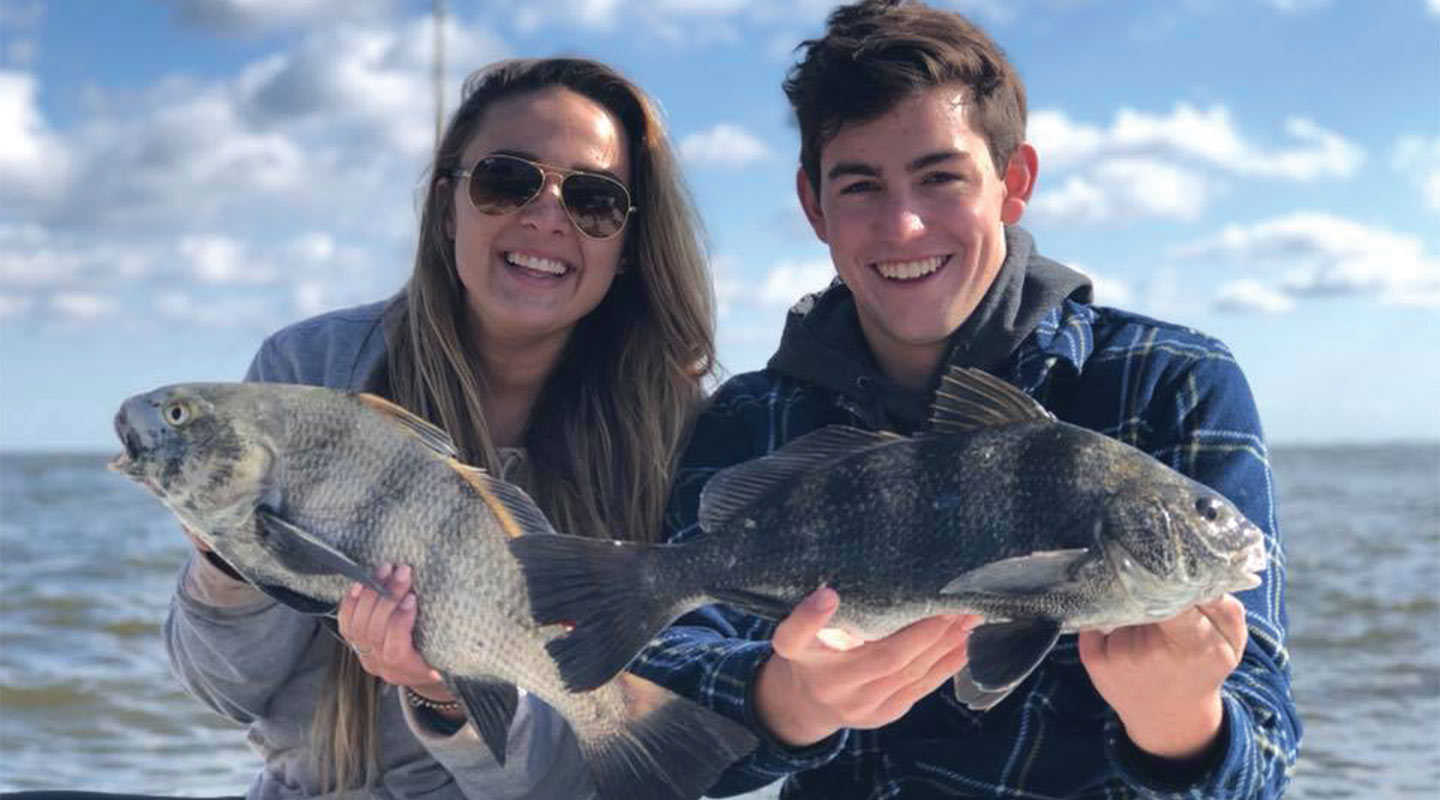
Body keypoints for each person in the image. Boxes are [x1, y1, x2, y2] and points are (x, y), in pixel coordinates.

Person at [629, 1, 1302, 797]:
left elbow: (1263, 747)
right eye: (860, 186)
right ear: (813, 206)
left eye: (940, 176)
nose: (904, 225)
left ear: (1012, 183)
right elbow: (653, 717)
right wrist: (784, 702)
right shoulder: (749, 420)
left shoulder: (1171, 382)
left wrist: (1179, 720)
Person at [164, 57, 715, 798]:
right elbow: (225, 692)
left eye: (595, 200)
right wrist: (229, 565)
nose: (546, 215)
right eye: (507, 180)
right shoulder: (310, 369)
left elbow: (567, 782)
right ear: (447, 202)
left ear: (626, 248)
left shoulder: (674, 434)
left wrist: (444, 695)